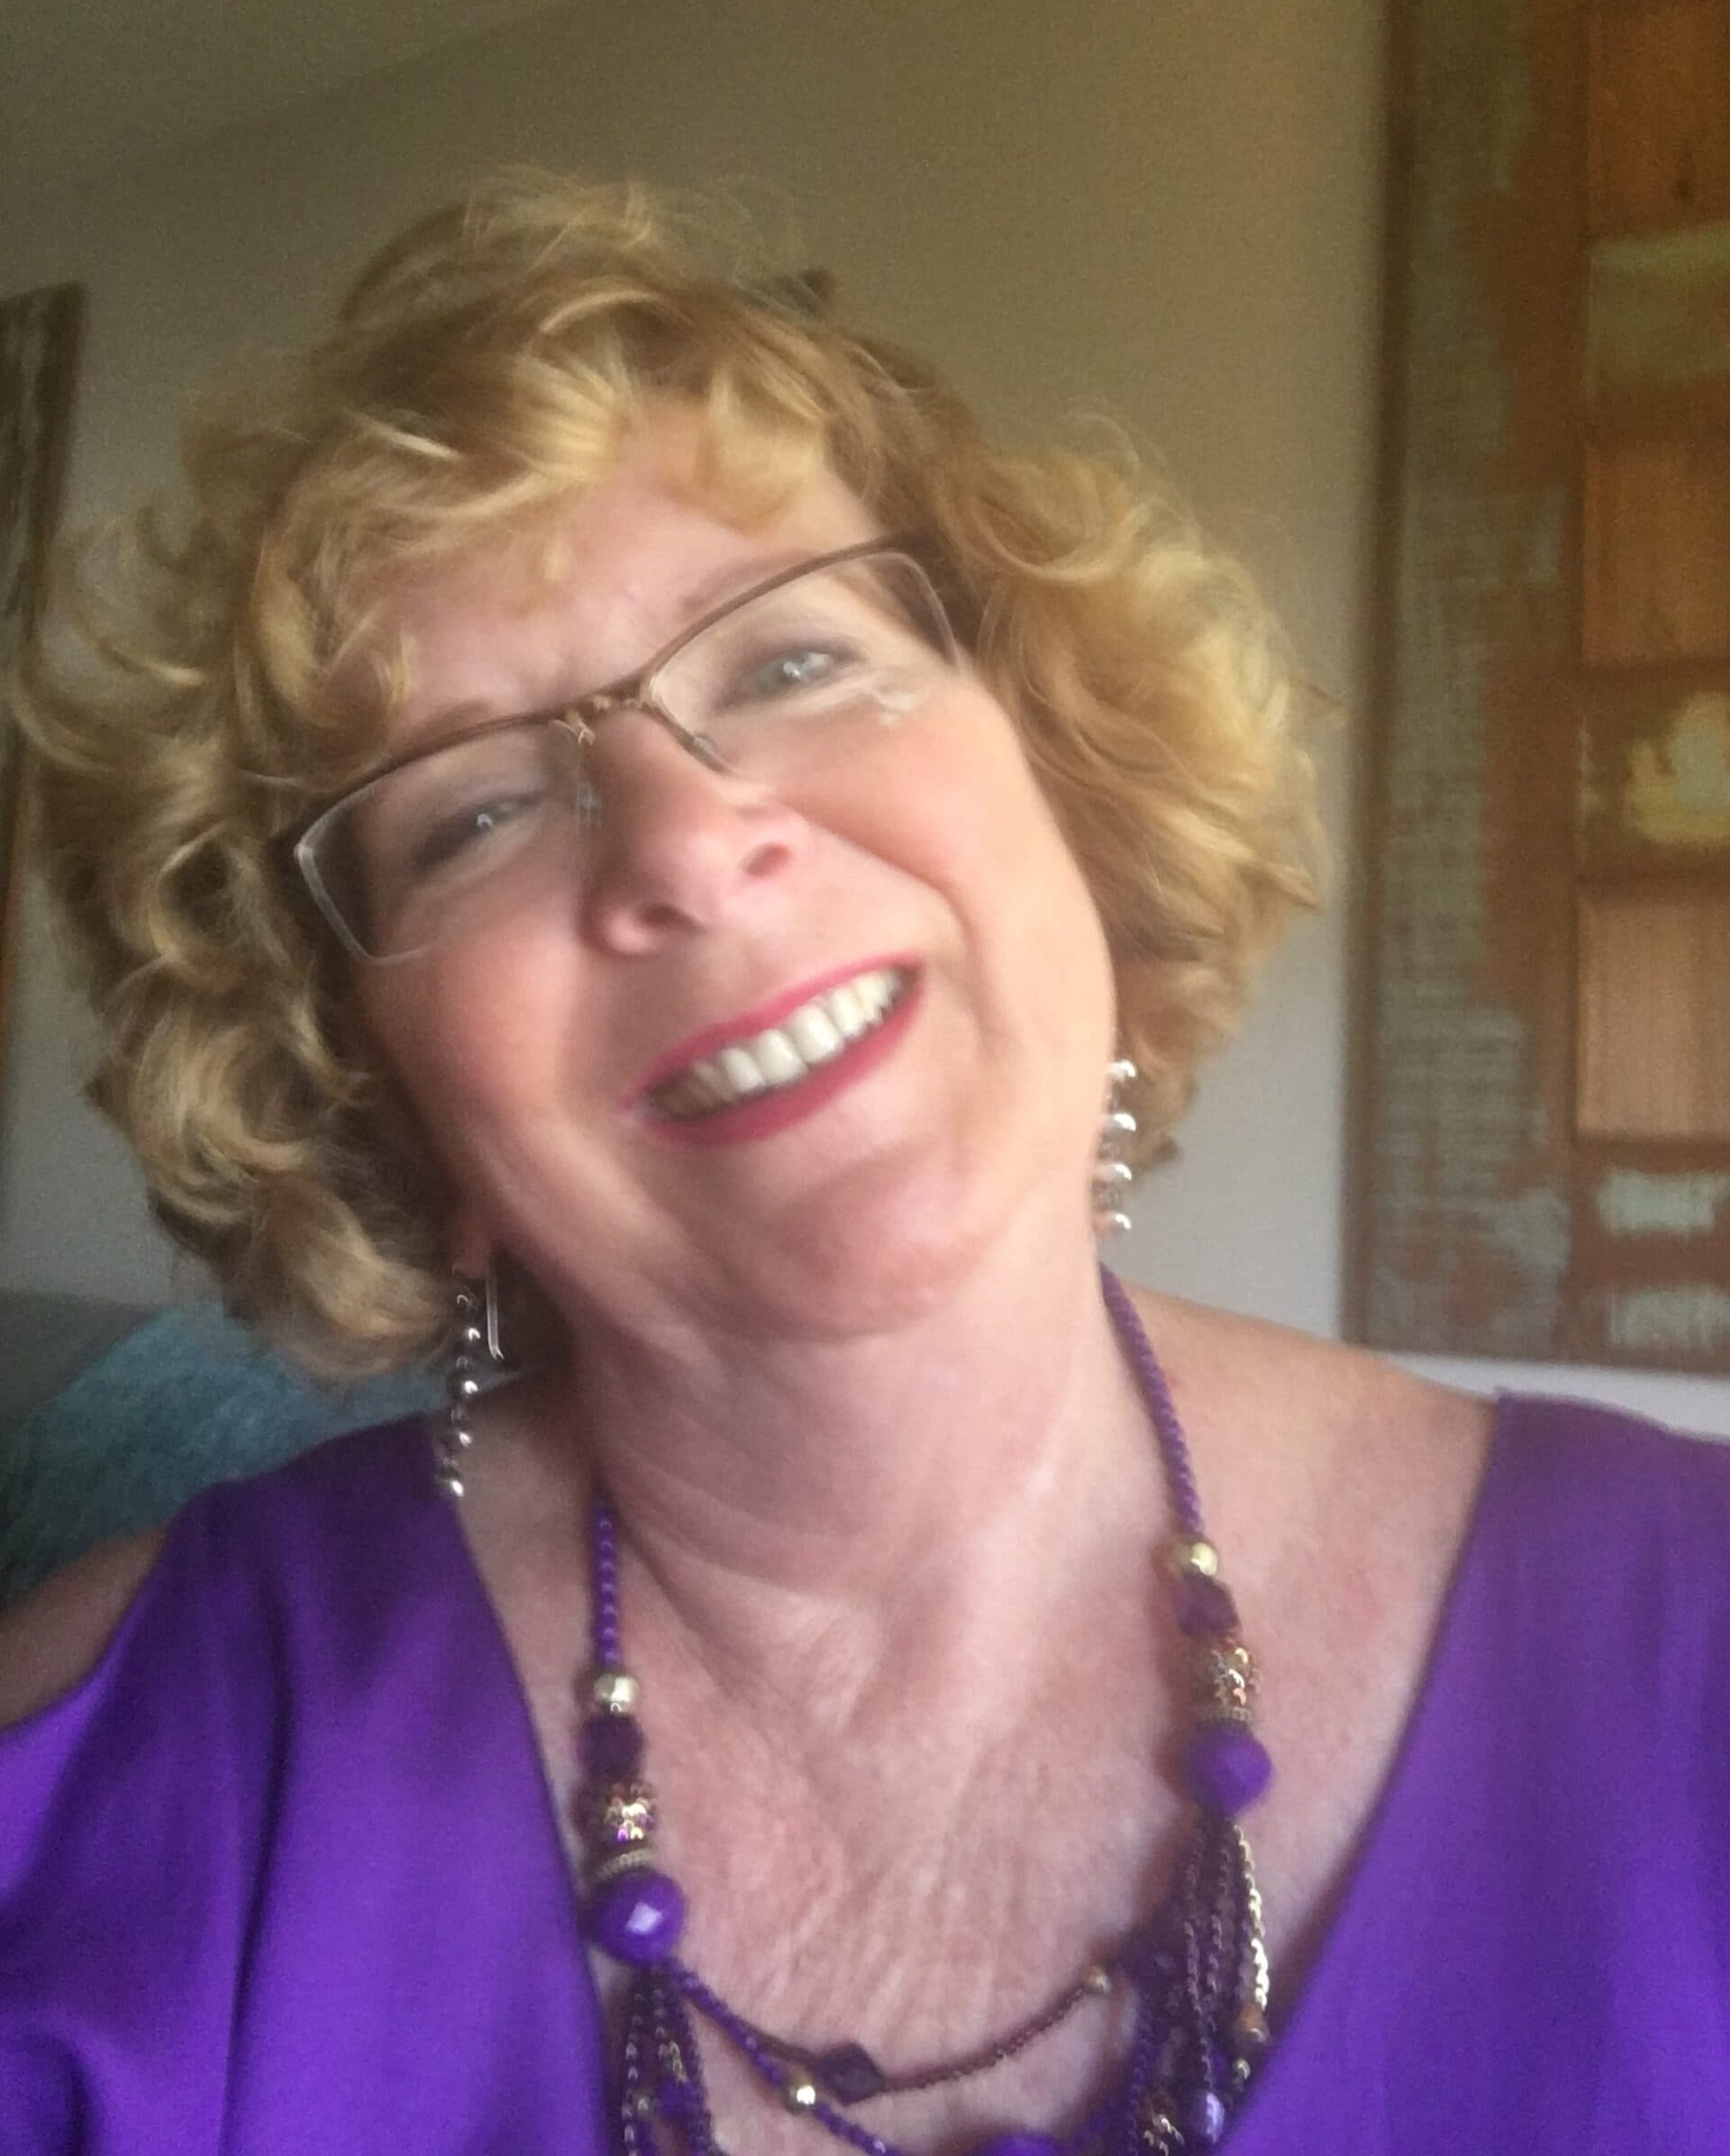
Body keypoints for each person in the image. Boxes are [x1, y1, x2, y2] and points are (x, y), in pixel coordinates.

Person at [0, 175, 1725, 2156]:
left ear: (1078, 789)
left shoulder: (1689, 1645)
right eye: (471, 811)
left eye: (791, 663)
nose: (682, 839)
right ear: (374, 1098)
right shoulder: (102, 1785)